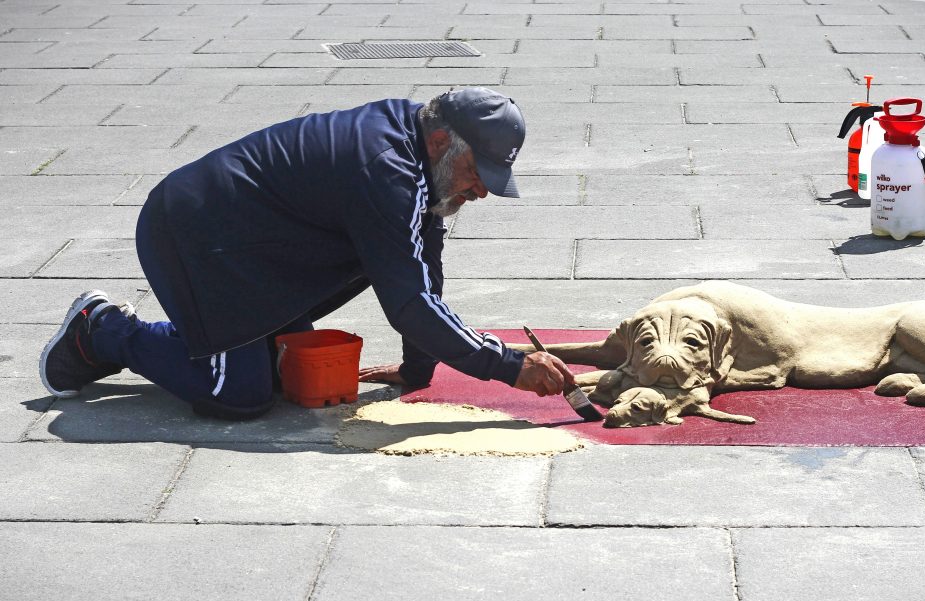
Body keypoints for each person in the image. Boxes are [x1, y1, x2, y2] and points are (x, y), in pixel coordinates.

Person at [39, 87, 573, 419]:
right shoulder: (387, 172)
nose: (481, 191)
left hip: (256, 248)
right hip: (198, 237)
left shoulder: (417, 163)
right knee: (238, 396)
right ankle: (102, 329)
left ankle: (209, 338)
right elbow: (408, 301)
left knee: (290, 374)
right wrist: (506, 366)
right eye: (478, 174)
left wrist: (417, 371)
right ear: (441, 144)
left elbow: (421, 274)